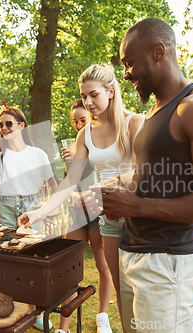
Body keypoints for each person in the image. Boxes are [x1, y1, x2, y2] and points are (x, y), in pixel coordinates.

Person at [92, 18, 193, 332]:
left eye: (130, 63)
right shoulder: (152, 114)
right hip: (136, 254)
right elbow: (156, 177)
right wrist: (118, 187)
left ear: (159, 51)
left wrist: (134, 207)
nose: (125, 73)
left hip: (168, 264)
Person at [18, 64, 143, 333]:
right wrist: (38, 213)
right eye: (84, 96)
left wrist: (104, 186)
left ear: (111, 92)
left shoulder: (135, 123)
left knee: (142, 287)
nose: (87, 102)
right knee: (122, 290)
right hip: (108, 219)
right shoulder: (84, 134)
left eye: (93, 95)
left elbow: (143, 171)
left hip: (139, 215)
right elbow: (69, 182)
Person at [0, 103, 56, 330]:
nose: (4, 128)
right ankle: (10, 309)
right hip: (6, 209)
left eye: (8, 123)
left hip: (32, 208)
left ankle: (35, 312)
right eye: (0, 125)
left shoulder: (37, 154)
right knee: (8, 263)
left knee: (34, 262)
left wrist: (44, 207)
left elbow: (53, 185)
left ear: (21, 125)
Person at [58, 99, 114, 333]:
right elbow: (71, 183)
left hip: (98, 213)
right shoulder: (75, 147)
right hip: (76, 212)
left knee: (103, 265)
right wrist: (69, 164)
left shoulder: (101, 142)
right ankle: (64, 327)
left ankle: (102, 315)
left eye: (83, 119)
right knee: (68, 269)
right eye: (75, 121)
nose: (79, 124)